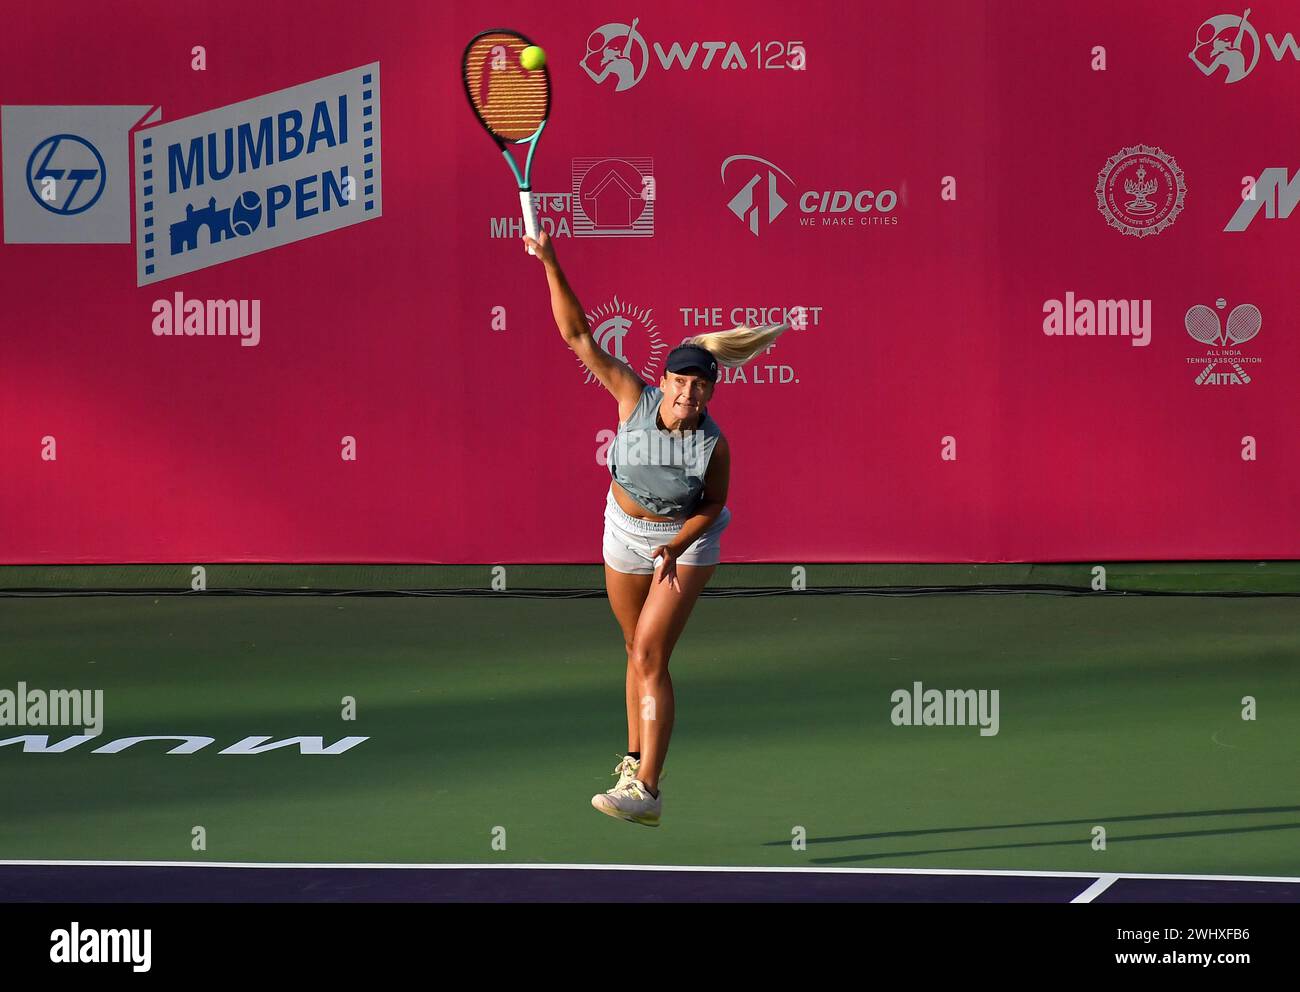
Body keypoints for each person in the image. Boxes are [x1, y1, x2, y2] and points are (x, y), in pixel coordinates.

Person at [524, 229, 788, 826]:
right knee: (633, 651)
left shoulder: (714, 445)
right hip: (622, 529)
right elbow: (577, 335)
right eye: (681, 382)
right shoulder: (630, 396)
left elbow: (713, 507)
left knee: (650, 651)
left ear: (709, 392)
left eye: (702, 385)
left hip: (686, 544)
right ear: (664, 382)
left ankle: (649, 790)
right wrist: (551, 261)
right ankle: (633, 761)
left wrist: (673, 545)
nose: (690, 392)